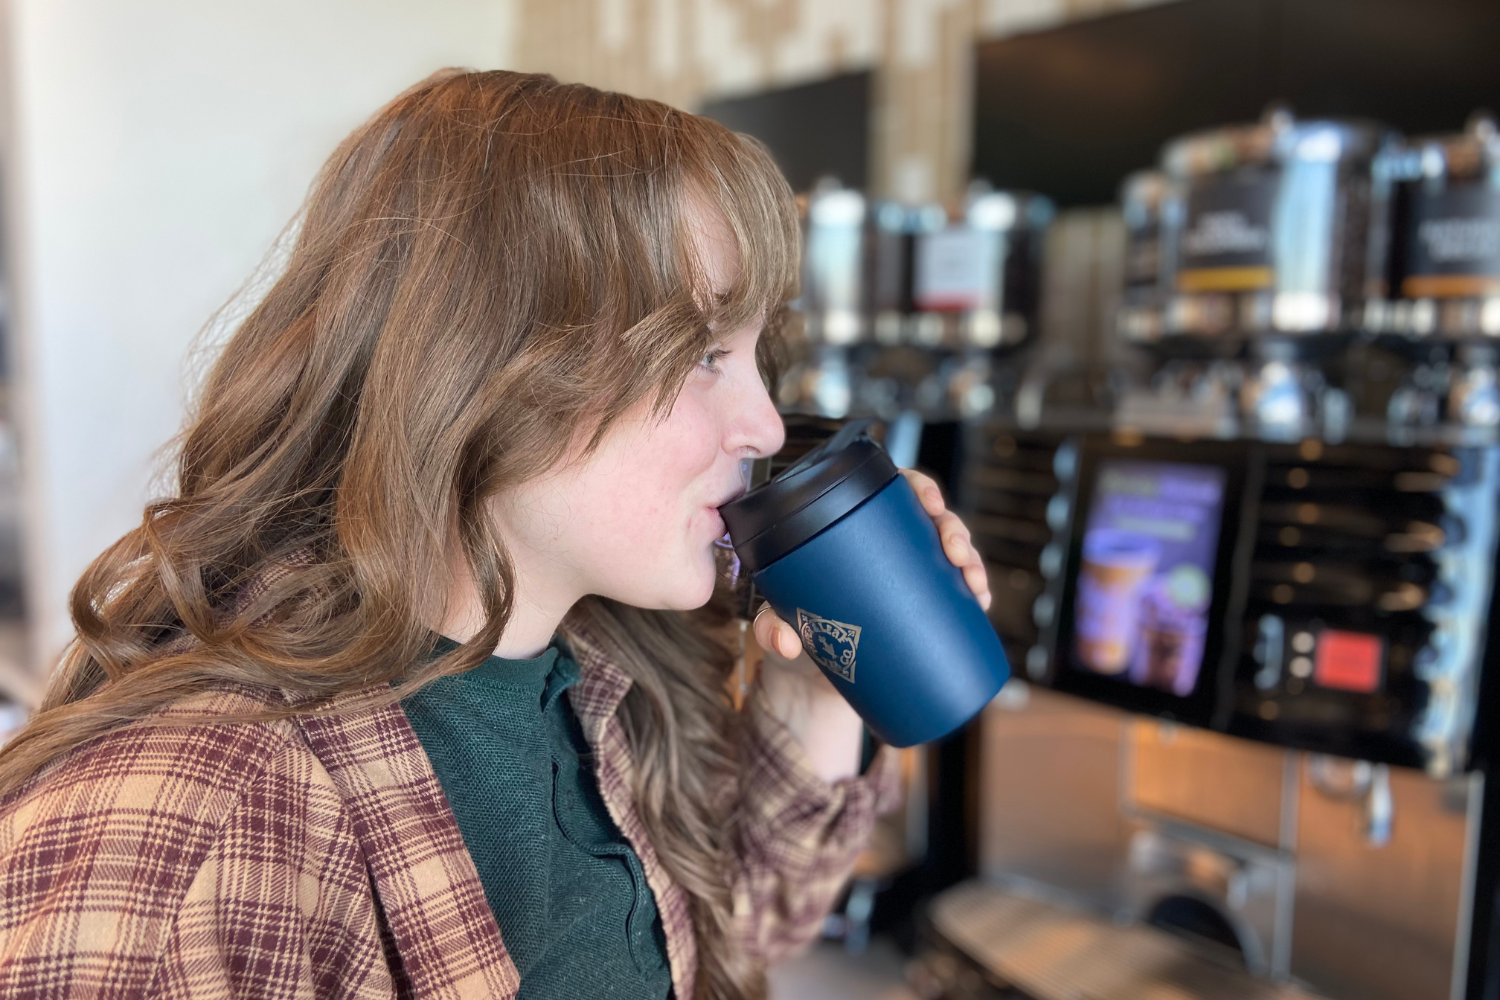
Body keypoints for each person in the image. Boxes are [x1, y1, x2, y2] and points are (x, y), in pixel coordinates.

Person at [0, 70, 991, 1000]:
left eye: (752, 353)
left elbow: (726, 938)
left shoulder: (594, 663)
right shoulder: (189, 827)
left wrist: (814, 685)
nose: (767, 427)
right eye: (699, 352)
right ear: (482, 362)